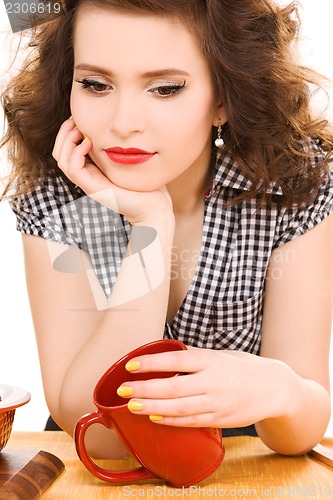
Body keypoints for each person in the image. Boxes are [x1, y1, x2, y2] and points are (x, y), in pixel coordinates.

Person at [1, 0, 333, 460]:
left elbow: (300, 430)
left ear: (222, 98)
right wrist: (150, 225)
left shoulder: (293, 181)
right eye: (95, 84)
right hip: (96, 466)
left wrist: (283, 390)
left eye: (165, 88)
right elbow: (94, 433)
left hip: (240, 465)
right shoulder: (55, 192)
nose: (123, 124)